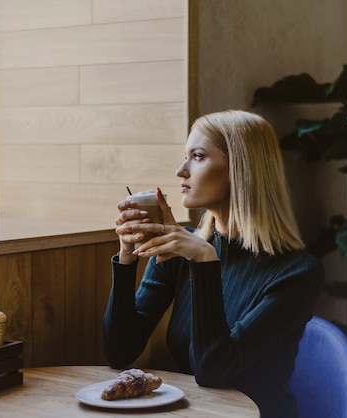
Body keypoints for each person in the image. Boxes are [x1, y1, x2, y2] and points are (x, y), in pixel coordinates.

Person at [103, 109, 325, 418]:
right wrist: (126, 258)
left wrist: (205, 260)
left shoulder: (297, 273)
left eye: (197, 156)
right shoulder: (182, 249)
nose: (181, 170)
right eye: (185, 156)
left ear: (241, 170)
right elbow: (119, 352)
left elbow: (213, 370)